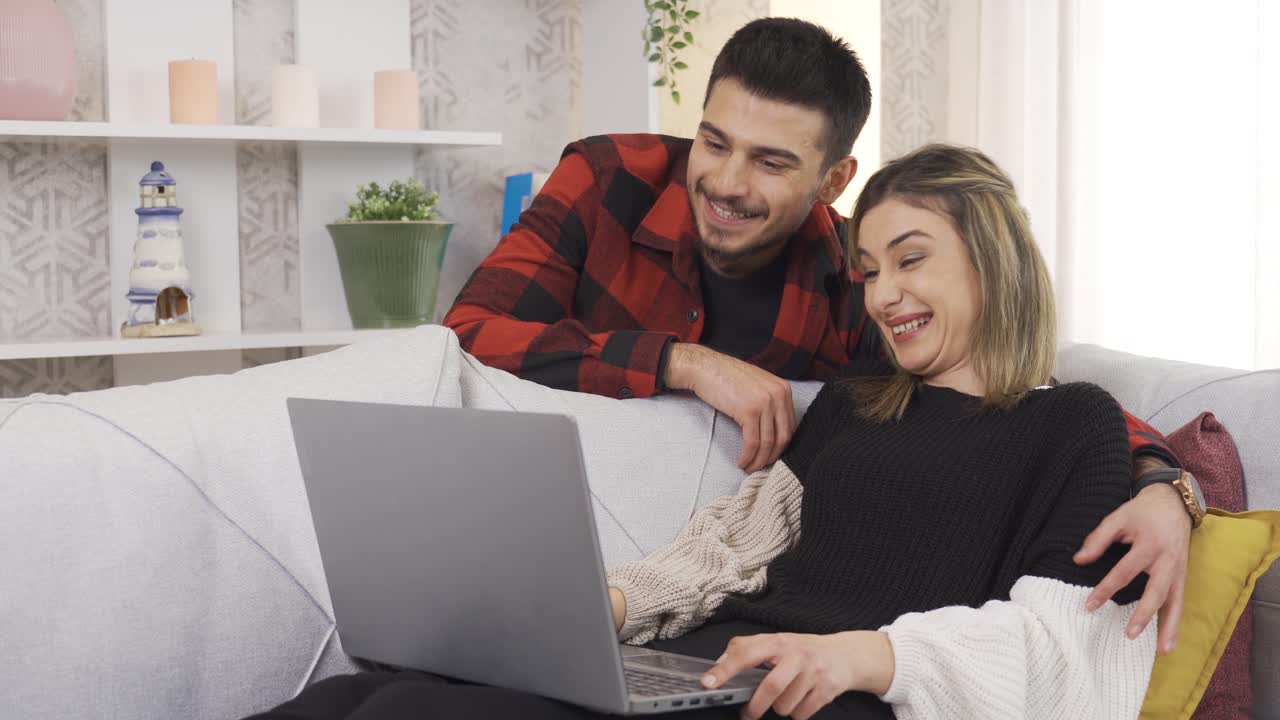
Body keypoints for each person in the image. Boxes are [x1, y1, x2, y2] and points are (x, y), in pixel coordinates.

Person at [251, 144, 1160, 720]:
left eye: (911, 260)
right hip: (711, 666)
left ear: (994, 261)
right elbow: (728, 552)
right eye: (869, 270)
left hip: (831, 696)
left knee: (411, 714)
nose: (883, 295)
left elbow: (1062, 657)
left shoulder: (1074, 426)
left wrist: (867, 655)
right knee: (358, 694)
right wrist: (598, 607)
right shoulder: (856, 401)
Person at [443, 18, 1193, 650]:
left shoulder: (853, 285)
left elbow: (1021, 399)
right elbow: (470, 331)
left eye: (771, 163)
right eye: (714, 142)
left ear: (834, 181)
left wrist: (1164, 485)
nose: (727, 183)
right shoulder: (608, 178)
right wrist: (683, 361)